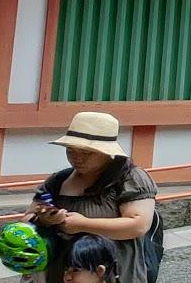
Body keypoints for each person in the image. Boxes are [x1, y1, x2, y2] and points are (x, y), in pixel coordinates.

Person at [23, 113, 158, 283]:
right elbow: (27, 219)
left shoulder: (129, 178)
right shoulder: (58, 180)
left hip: (112, 273)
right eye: (71, 150)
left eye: (87, 153)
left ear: (106, 152)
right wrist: (44, 220)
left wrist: (83, 224)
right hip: (61, 273)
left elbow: (138, 225)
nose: (77, 158)